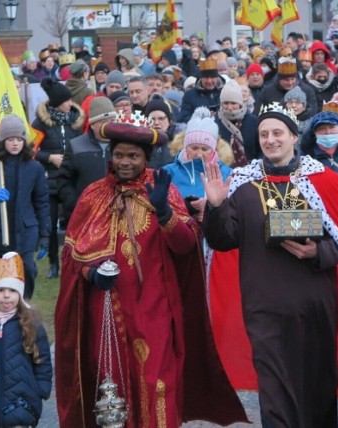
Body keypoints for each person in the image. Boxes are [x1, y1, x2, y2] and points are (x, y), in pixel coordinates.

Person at [202, 103, 338, 427]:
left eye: (278, 133)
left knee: (319, 388)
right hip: (265, 306)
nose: (271, 140)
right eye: (264, 134)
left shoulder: (326, 181)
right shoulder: (242, 186)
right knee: (274, 392)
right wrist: (215, 206)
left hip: (315, 305)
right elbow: (223, 240)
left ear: (294, 137)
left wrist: (317, 253)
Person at [55, 115, 247, 427]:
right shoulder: (93, 195)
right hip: (104, 313)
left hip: (153, 311)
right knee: (110, 388)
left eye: (133, 156)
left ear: (146, 158)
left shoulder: (162, 191)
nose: (125, 162)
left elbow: (186, 246)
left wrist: (164, 212)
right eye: (119, 155)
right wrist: (92, 273)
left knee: (156, 383)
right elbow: (74, 252)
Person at [0, 252, 53, 426]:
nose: (6, 295)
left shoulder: (31, 325)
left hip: (22, 408)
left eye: (12, 291)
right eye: (0, 290)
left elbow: (43, 361)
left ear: (20, 295)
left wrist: (41, 390)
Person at [0, 115, 51, 300]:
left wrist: (45, 235)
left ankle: (23, 304)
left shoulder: (35, 168)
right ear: (3, 141)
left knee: (28, 269)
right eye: (10, 139)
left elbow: (42, 202)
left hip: (25, 230)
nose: (15, 144)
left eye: (19, 139)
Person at [32, 77, 85, 279]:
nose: (69, 104)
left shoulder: (76, 123)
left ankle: (72, 260)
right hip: (48, 181)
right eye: (65, 101)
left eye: (70, 100)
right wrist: (49, 157)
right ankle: (53, 263)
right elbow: (30, 149)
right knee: (51, 223)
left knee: (73, 221)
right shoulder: (40, 123)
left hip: (70, 181)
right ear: (56, 103)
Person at [164, 107, 233, 223]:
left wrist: (211, 211)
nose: (199, 154)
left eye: (205, 149)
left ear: (213, 149)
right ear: (185, 147)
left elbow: (236, 211)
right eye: (194, 148)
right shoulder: (167, 172)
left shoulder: (229, 174)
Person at [56, 96, 117, 220]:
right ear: (93, 124)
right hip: (86, 216)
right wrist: (75, 205)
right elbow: (64, 181)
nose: (108, 125)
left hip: (117, 213)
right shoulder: (76, 146)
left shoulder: (123, 146)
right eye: (103, 121)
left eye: (112, 120)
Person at [215, 79, 260, 166]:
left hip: (252, 169)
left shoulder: (253, 121)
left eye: (233, 103)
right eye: (226, 103)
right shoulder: (215, 122)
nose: (230, 107)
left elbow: (260, 149)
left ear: (240, 103)